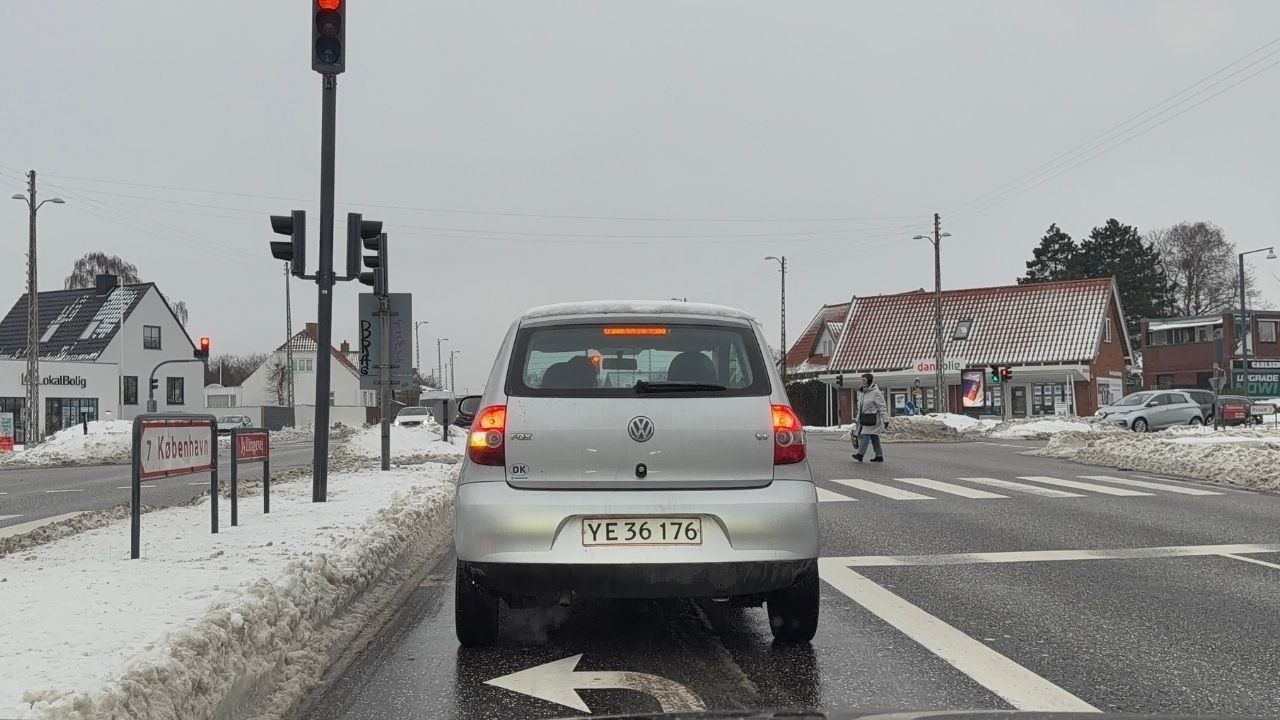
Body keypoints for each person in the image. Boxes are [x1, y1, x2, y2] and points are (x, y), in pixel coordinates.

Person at [852, 373, 888, 463]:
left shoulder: (875, 392)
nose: (863, 382)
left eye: (864, 380)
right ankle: (879, 456)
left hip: (873, 418)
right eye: (862, 380)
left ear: (869, 381)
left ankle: (860, 454)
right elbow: (860, 407)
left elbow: (882, 406)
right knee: (874, 436)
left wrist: (885, 419)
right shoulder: (862, 392)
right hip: (864, 418)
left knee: (865, 434)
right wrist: (857, 419)